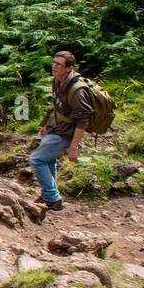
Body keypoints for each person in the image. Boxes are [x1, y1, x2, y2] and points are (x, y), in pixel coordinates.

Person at [29, 50, 92, 212]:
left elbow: (83, 120)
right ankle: (48, 193)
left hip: (66, 133)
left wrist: (73, 147)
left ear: (69, 68)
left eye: (59, 64)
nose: (54, 66)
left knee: (36, 159)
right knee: (48, 159)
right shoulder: (58, 80)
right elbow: (56, 104)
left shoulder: (78, 90)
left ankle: (52, 198)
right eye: (54, 62)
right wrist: (46, 124)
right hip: (55, 127)